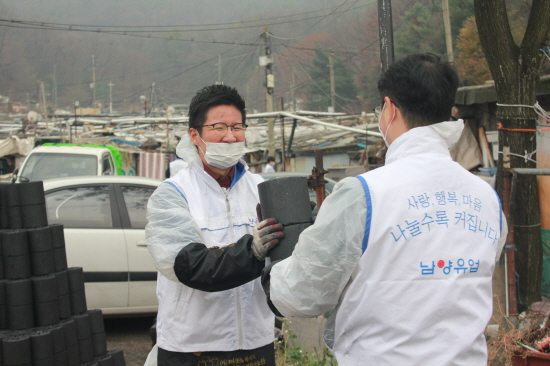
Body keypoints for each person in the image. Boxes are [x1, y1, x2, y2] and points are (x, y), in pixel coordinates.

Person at [263, 54, 508, 366]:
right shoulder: (486, 197)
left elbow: (300, 296)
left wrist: (272, 268)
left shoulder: (362, 193)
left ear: (390, 109)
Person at [146, 84, 284, 366]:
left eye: (237, 127)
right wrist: (253, 251)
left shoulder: (262, 189)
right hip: (193, 345)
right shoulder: (173, 194)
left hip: (255, 340)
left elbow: (281, 264)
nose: (230, 137)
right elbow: (188, 265)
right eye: (219, 127)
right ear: (194, 135)